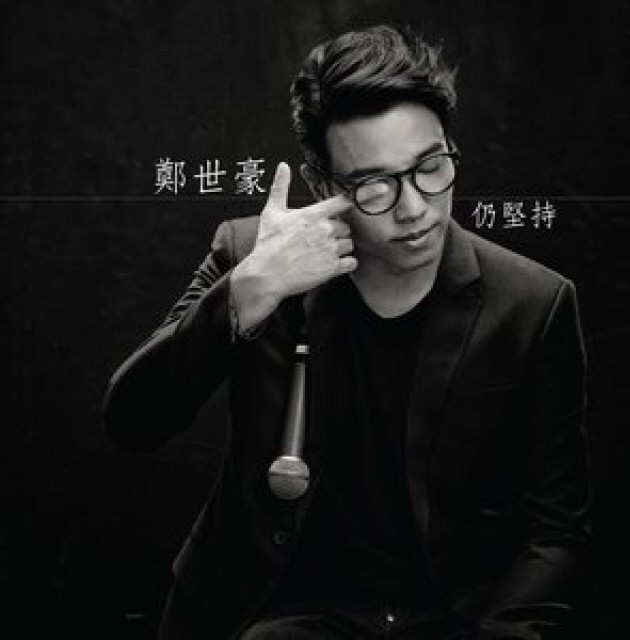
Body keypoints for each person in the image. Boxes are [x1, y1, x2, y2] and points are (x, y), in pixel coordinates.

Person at [103, 25, 592, 640]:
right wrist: (248, 292)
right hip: (267, 613)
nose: (414, 208)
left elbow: (556, 531)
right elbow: (133, 423)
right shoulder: (252, 258)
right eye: (374, 185)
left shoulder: (533, 303)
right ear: (323, 186)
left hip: (448, 617)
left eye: (430, 167)